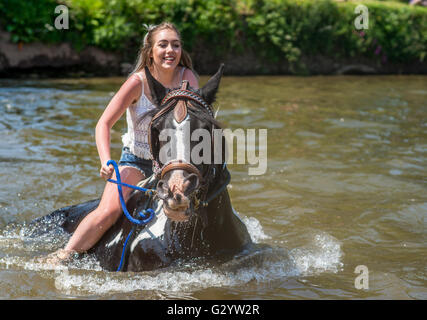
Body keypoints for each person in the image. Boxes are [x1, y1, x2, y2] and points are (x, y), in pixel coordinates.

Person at [51, 22, 199, 262]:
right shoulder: (136, 83)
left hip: (174, 163)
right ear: (150, 51)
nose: (170, 50)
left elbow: (193, 123)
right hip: (137, 162)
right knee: (109, 211)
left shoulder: (187, 77)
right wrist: (106, 161)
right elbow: (103, 124)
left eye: (176, 45)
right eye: (163, 45)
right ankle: (63, 255)